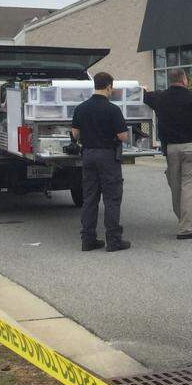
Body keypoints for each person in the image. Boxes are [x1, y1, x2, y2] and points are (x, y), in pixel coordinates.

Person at [143, 69, 192, 240]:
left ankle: (184, 221)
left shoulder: (160, 98)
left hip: (170, 149)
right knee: (189, 188)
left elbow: (144, 96)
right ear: (185, 80)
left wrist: (143, 89)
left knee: (176, 188)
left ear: (170, 81)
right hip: (191, 147)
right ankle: (186, 228)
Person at [71, 72, 130, 252]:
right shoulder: (113, 109)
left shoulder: (81, 108)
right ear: (109, 87)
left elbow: (75, 134)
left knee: (90, 198)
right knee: (112, 198)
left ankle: (88, 239)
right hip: (107, 156)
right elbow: (122, 136)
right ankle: (113, 240)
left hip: (88, 154)